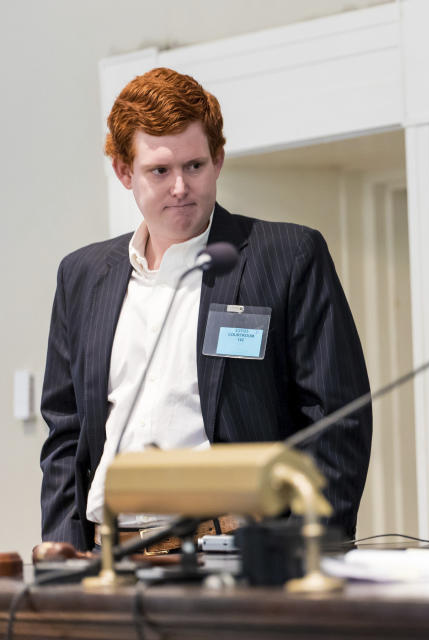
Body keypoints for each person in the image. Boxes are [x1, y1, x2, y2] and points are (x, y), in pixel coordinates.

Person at [39, 67, 372, 550]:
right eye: (160, 170)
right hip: (109, 555)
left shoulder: (286, 256)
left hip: (235, 553)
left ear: (218, 160)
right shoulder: (83, 275)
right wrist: (64, 552)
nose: (180, 187)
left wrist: (309, 553)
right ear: (123, 172)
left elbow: (337, 418)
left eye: (194, 166)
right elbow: (65, 431)